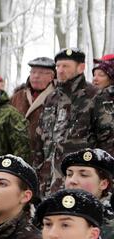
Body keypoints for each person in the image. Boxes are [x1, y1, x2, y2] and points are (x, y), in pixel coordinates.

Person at [35, 48, 105, 194]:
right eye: (58, 66)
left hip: (79, 182)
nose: (60, 70)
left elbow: (108, 141)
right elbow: (39, 141)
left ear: (81, 68)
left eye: (66, 66)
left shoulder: (96, 97)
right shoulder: (51, 99)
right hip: (47, 183)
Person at [61, 148, 114, 239]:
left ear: (103, 184)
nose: (72, 181)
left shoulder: (110, 228)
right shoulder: (50, 219)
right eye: (69, 174)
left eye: (84, 175)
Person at [9, 57, 56, 168]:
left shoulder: (57, 97)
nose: (36, 76)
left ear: (51, 77)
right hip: (17, 157)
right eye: (33, 72)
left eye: (41, 73)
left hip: (45, 159)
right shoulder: (18, 96)